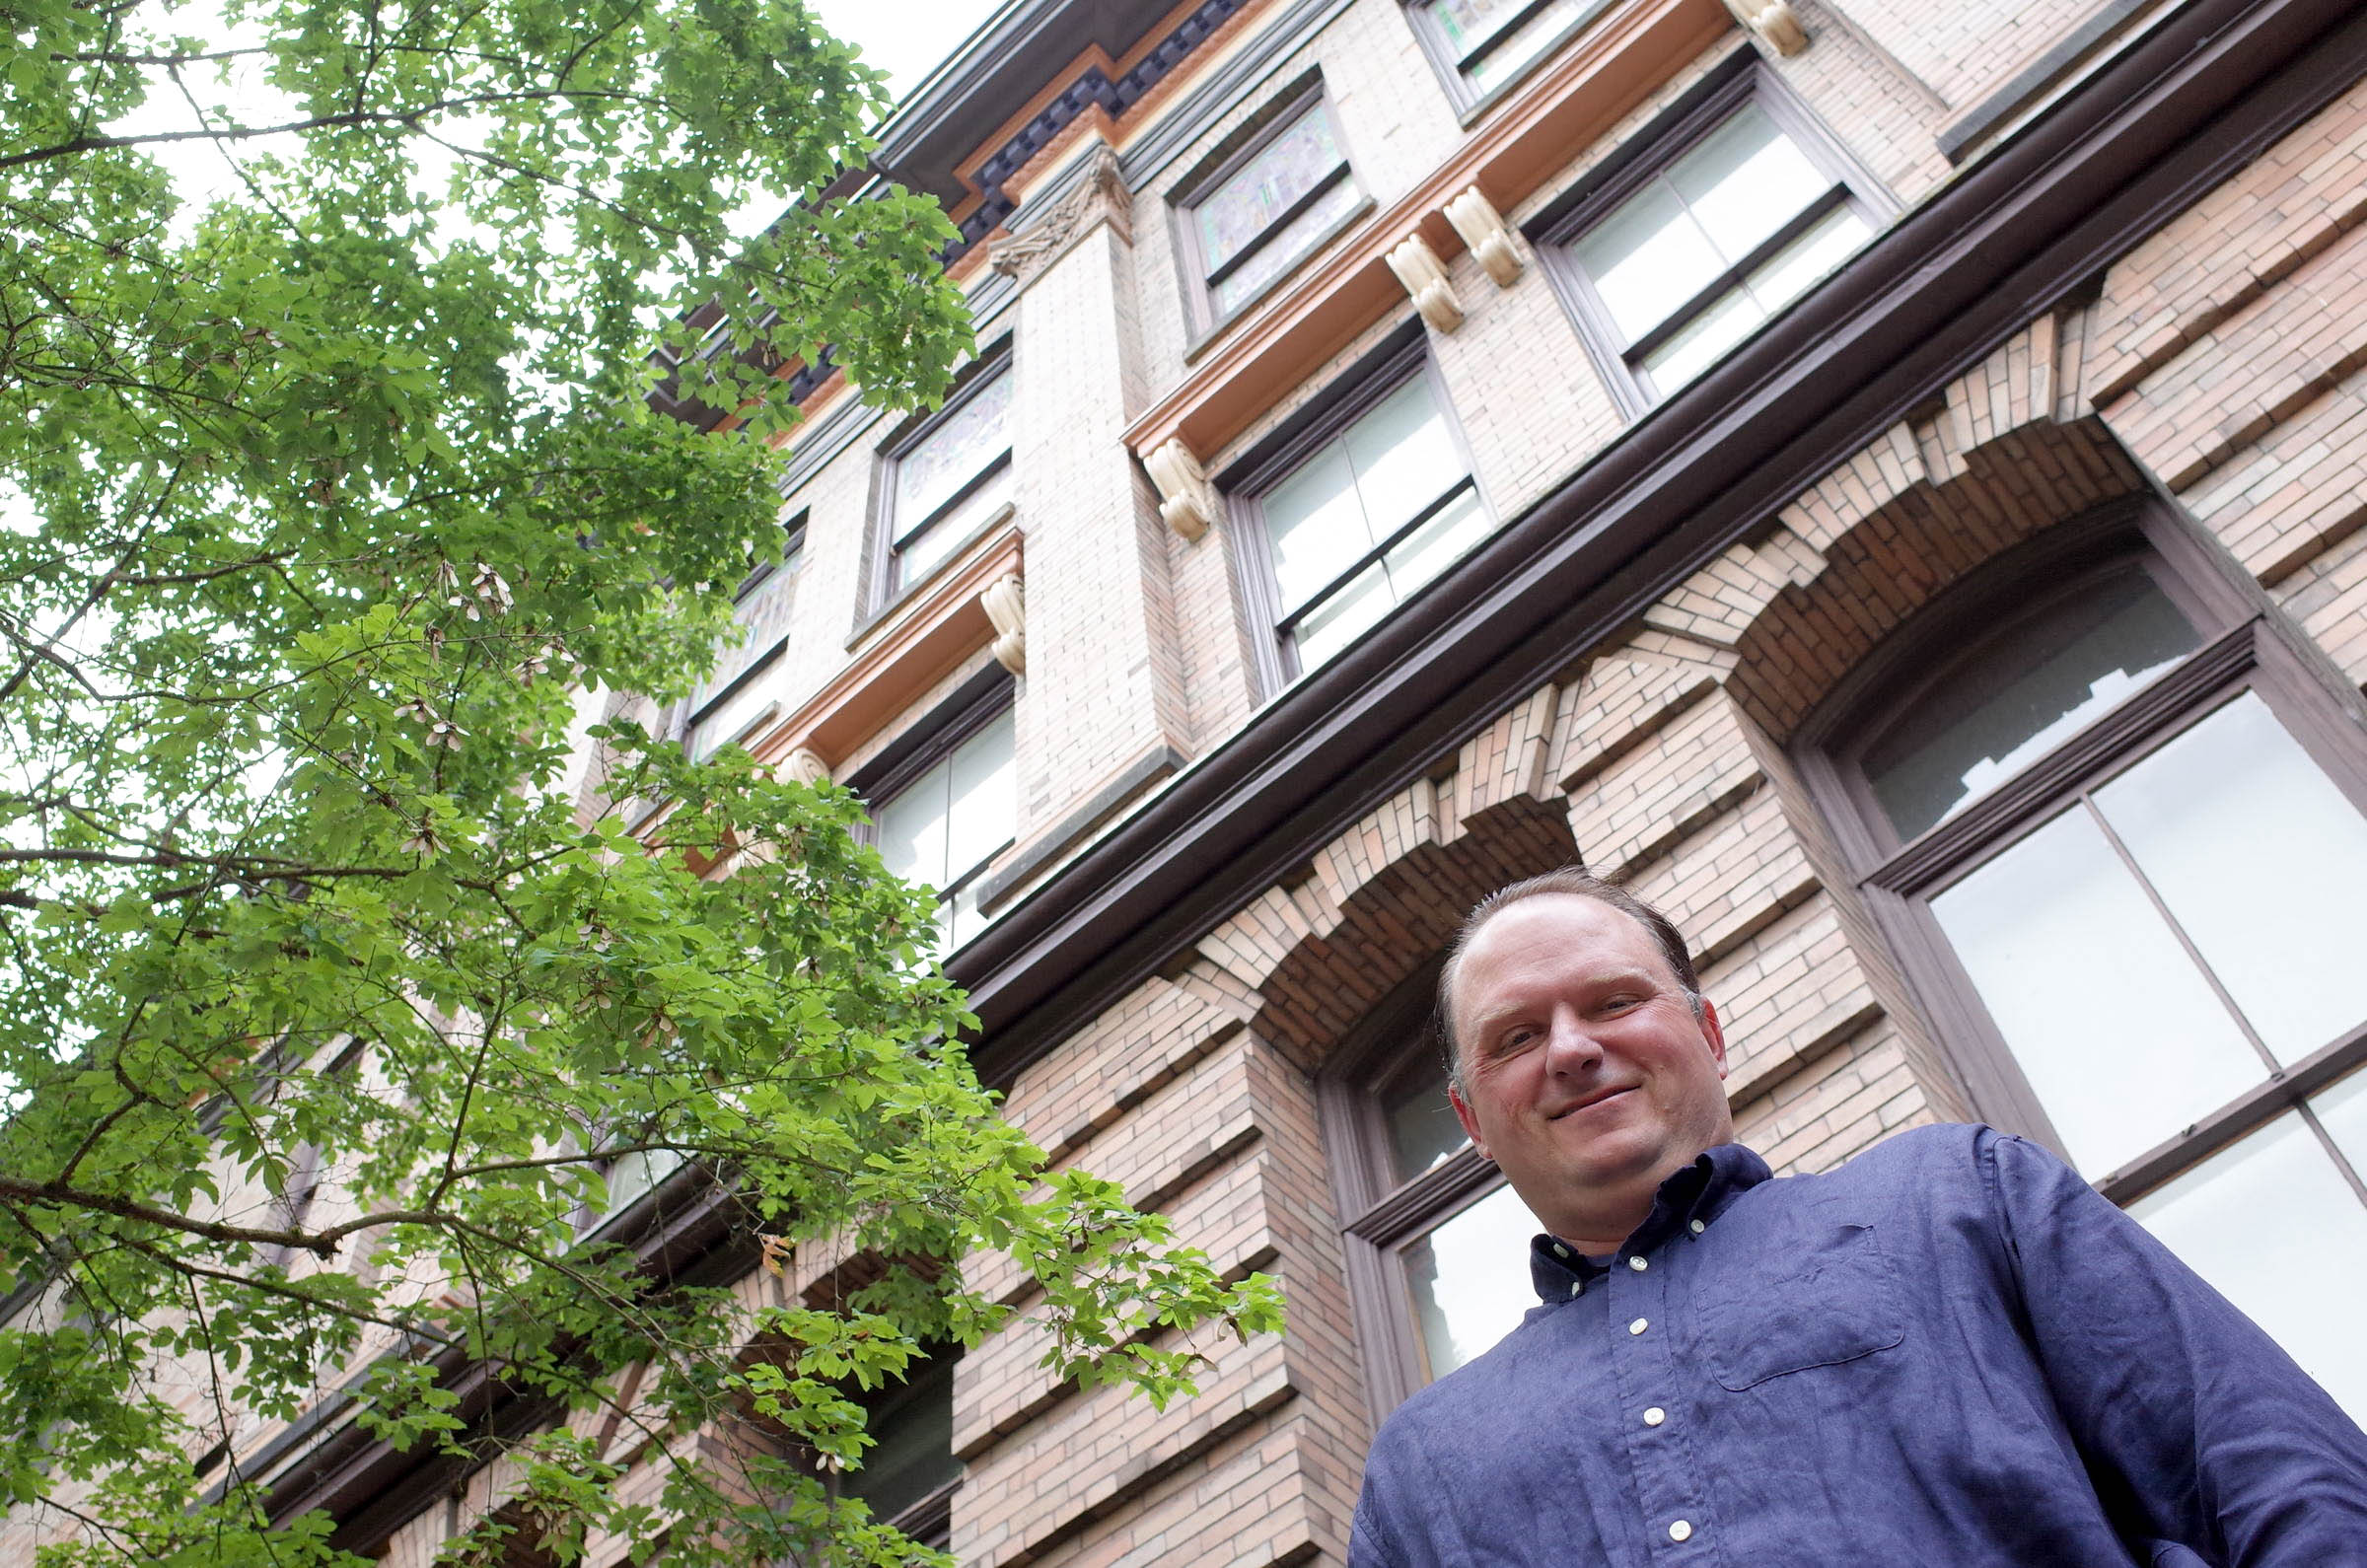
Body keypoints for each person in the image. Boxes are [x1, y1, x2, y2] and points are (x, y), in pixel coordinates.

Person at [1348, 869, 2367, 1567]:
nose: (1571, 1048)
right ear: (1473, 1119)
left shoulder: (1958, 1195)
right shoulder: (1419, 1466)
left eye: (1613, 1003)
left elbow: (2272, 1477)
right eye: (1518, 1034)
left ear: (1708, 1035)